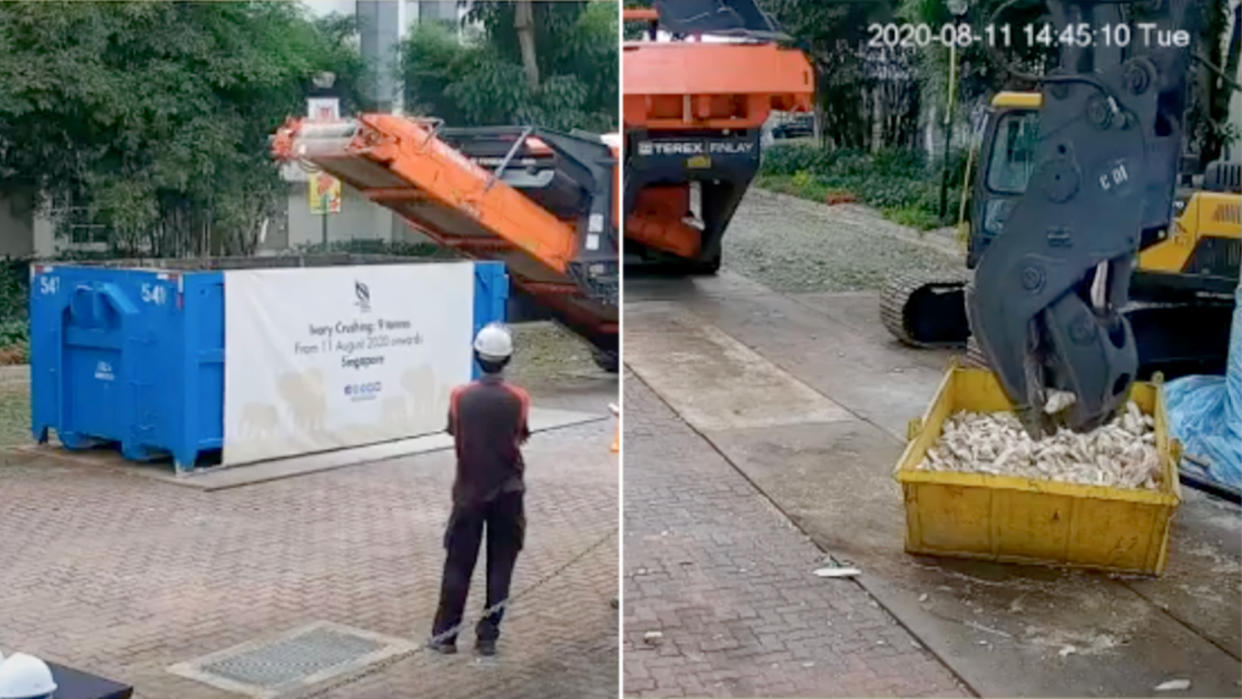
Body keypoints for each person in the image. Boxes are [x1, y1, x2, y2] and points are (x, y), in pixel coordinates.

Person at [428, 323, 531, 657]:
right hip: (508, 491)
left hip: (469, 490)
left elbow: (453, 430)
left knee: (458, 564)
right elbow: (520, 434)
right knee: (501, 565)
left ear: (477, 355)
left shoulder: (460, 396)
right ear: (508, 359)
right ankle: (488, 636)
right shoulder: (519, 398)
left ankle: (445, 636)